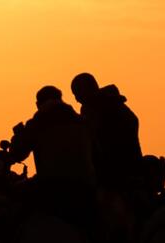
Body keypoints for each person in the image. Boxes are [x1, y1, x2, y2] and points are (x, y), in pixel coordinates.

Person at [6, 85, 97, 229]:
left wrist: (18, 135)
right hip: (86, 186)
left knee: (11, 200)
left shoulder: (37, 123)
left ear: (38, 104)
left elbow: (17, 154)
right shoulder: (81, 121)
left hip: (51, 187)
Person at [70, 72, 143, 191]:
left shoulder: (95, 109)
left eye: (77, 93)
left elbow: (94, 141)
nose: (77, 100)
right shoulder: (114, 104)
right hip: (128, 170)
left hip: (117, 174)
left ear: (86, 90)